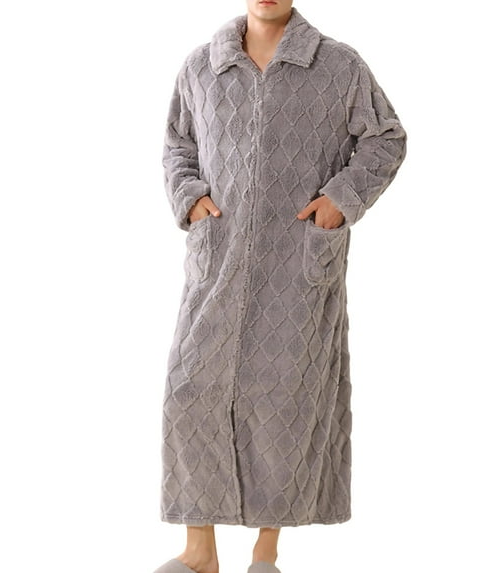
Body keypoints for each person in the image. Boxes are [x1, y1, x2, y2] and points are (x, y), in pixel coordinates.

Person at [155, 2, 407, 572]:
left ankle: (266, 551)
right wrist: (189, 197)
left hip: (297, 265)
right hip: (217, 261)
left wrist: (340, 201)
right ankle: (200, 552)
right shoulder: (202, 66)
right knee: (189, 391)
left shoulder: (338, 66)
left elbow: (386, 138)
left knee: (283, 399)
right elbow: (177, 145)